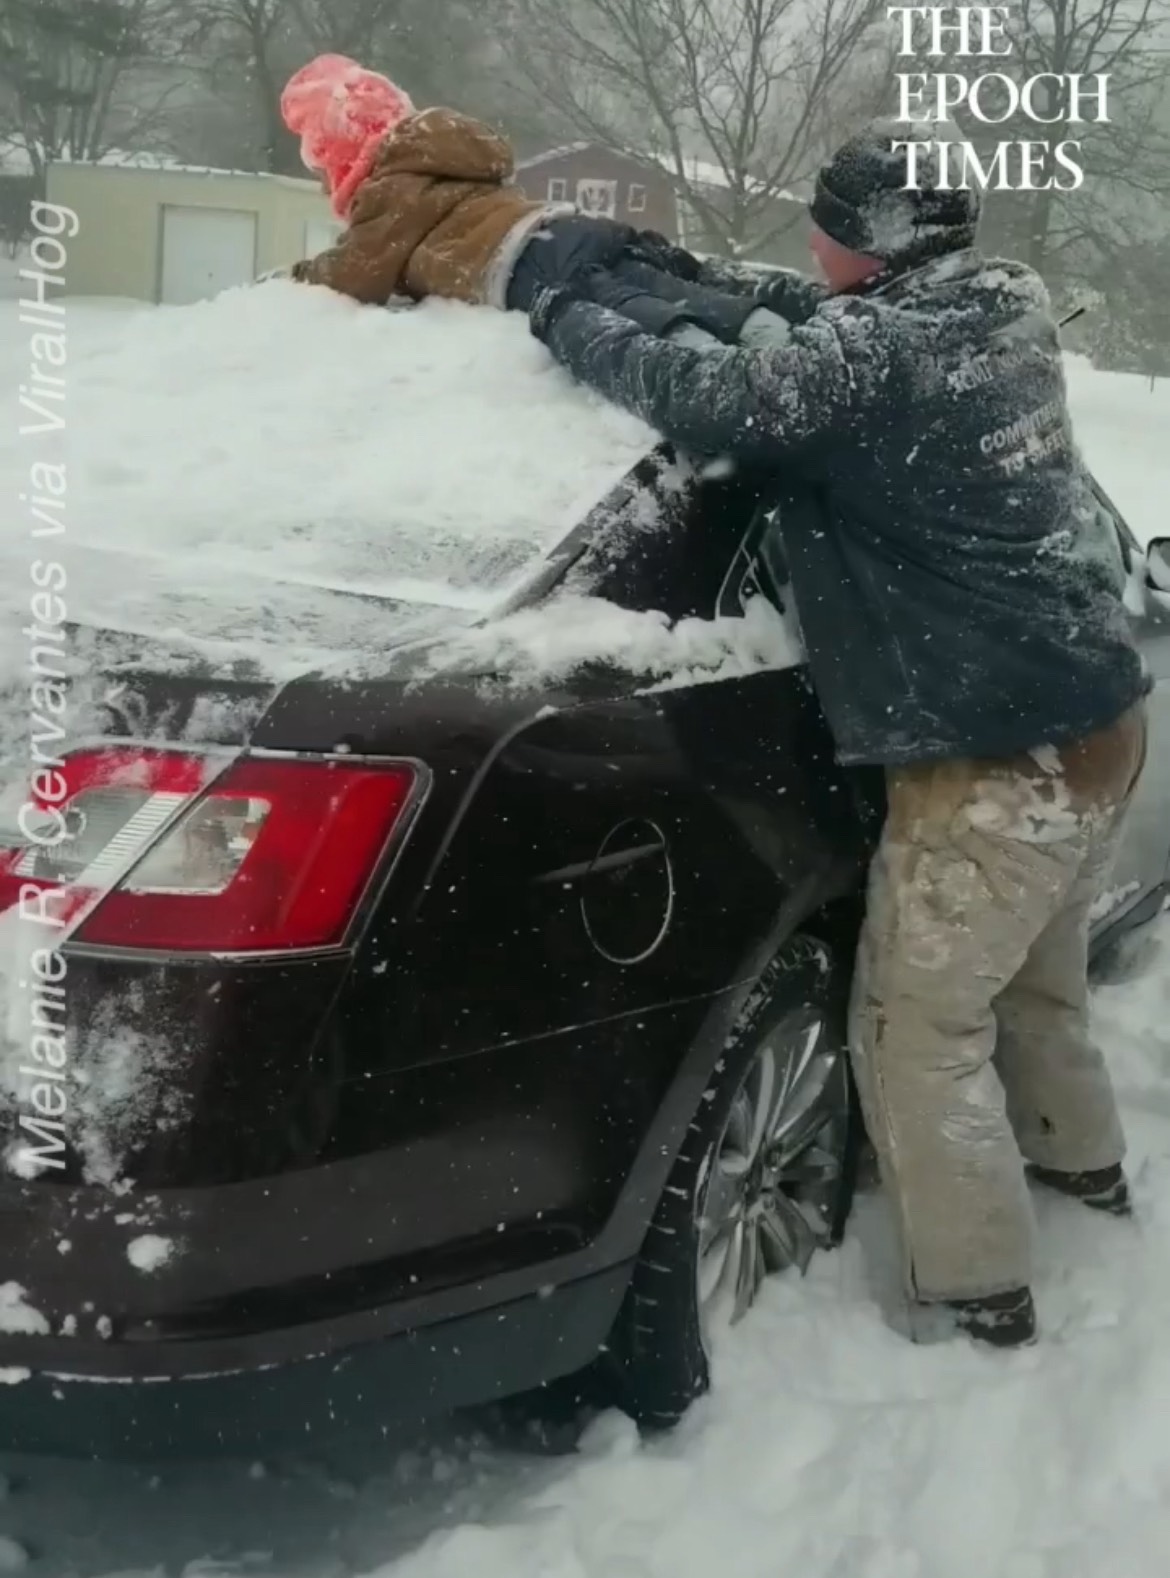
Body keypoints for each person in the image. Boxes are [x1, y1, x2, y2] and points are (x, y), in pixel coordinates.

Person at [514, 121, 1150, 1348]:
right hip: (1099, 721)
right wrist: (674, 271)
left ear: (872, 240)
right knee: (1036, 986)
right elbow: (808, 317)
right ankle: (1084, 1172)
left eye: (825, 223)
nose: (808, 240)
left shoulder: (869, 365)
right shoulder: (1002, 302)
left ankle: (978, 1294)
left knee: (918, 1031)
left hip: (997, 761)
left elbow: (702, 394)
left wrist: (560, 308)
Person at [277, 53, 790, 350]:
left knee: (617, 304)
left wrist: (298, 275)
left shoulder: (388, 188)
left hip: (519, 261)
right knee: (647, 279)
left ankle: (696, 348)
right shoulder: (444, 162)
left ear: (342, 152)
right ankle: (755, 322)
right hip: (558, 226)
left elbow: (357, 273)